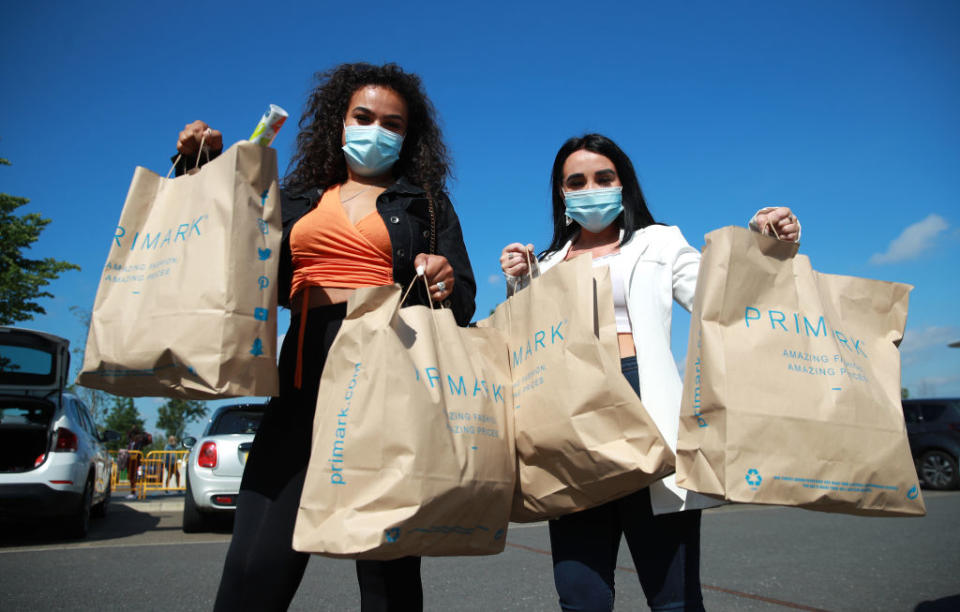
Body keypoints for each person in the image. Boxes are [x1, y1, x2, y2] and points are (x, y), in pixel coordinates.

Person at [174, 63, 476, 611]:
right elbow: (229, 244)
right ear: (340, 122)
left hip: (389, 373)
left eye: (393, 123)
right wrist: (201, 168)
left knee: (388, 572)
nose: (376, 130)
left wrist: (445, 279)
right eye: (364, 116)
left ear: (408, 136)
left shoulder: (425, 203)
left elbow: (464, 298)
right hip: (302, 368)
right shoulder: (298, 196)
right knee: (254, 563)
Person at [499, 133, 800, 612]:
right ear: (561, 193)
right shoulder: (546, 264)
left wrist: (763, 247)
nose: (590, 187)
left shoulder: (659, 241)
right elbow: (523, 352)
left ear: (624, 184)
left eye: (604, 177)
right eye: (576, 181)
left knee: (674, 598)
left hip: (645, 403)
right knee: (581, 597)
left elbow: (722, 298)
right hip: (571, 423)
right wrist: (518, 284)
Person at [124, 425, 152, 500]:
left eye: (133, 433)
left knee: (133, 476)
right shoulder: (131, 441)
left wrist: (142, 432)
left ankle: (133, 493)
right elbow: (128, 434)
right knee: (131, 476)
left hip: (135, 459)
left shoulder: (140, 439)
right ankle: (133, 492)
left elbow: (149, 439)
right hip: (130, 459)